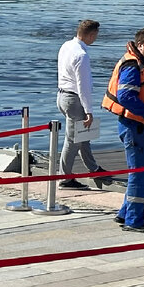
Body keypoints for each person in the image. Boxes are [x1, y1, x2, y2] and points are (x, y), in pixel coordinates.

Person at [102, 28, 144, 232]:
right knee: (141, 174)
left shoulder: (140, 64)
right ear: (139, 45)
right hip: (136, 127)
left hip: (138, 126)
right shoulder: (132, 66)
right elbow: (125, 97)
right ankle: (134, 220)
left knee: (140, 173)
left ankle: (125, 213)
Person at [56, 19, 105, 189]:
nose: (96, 39)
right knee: (73, 140)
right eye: (95, 36)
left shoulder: (66, 45)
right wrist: (89, 111)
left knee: (83, 134)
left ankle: (93, 168)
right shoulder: (82, 55)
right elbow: (82, 86)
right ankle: (65, 178)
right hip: (74, 99)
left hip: (62, 96)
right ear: (91, 35)